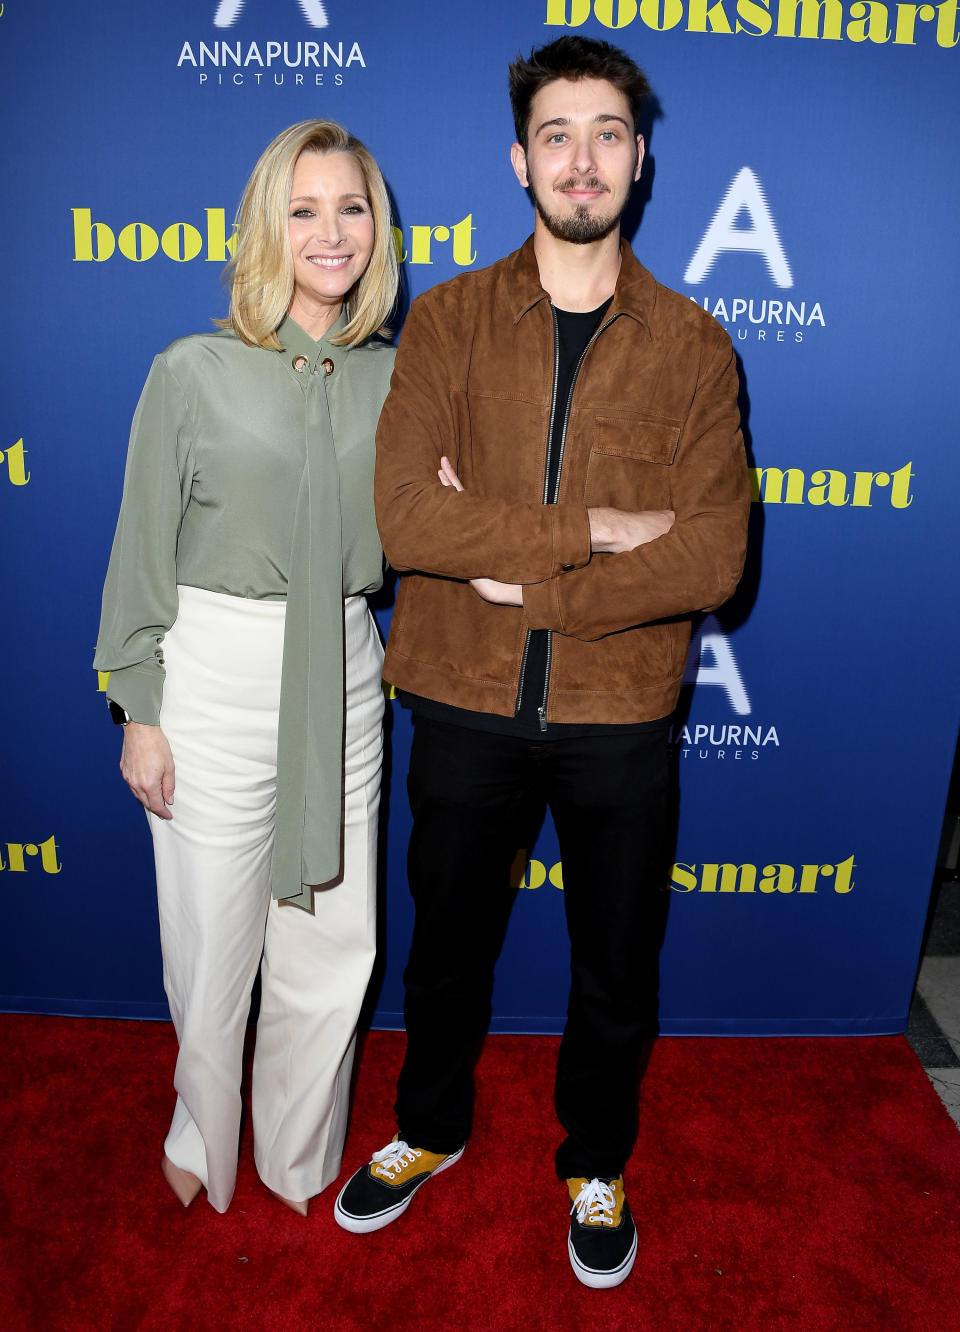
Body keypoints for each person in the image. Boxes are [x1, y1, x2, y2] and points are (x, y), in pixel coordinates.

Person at [334, 37, 750, 1287]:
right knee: (447, 945)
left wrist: (529, 582)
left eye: (608, 133)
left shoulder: (694, 346)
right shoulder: (450, 321)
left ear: (641, 162)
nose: (583, 158)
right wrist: (593, 533)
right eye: (558, 133)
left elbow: (715, 555)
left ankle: (598, 1159)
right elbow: (411, 520)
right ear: (521, 159)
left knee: (617, 961)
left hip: (621, 708)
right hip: (461, 695)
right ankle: (429, 1128)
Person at [94, 119, 398, 1215]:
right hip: (216, 674)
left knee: (332, 941)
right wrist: (140, 706)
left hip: (349, 673)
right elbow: (141, 548)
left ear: (379, 228)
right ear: (266, 227)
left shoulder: (401, 381)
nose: (331, 231)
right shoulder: (193, 371)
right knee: (212, 947)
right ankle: (201, 1126)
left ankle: (300, 1151)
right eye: (304, 208)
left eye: (352, 207)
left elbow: (450, 531)